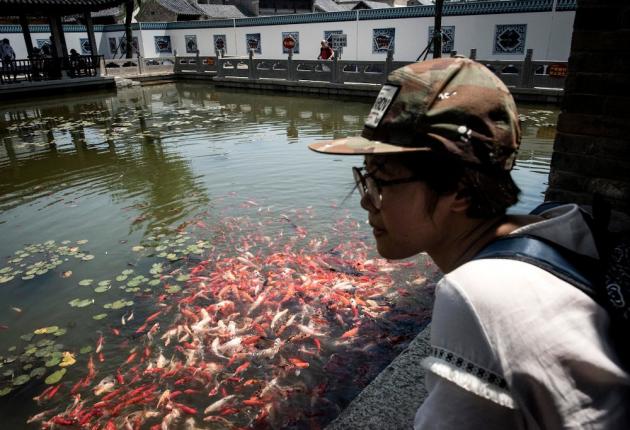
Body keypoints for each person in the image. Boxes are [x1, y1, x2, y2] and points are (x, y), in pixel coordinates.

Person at [309, 57, 630, 428]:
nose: (367, 200)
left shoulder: (477, 294)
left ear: (459, 189)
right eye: (365, 177)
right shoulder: (564, 223)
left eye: (381, 181)